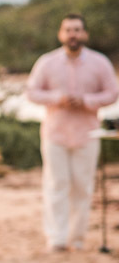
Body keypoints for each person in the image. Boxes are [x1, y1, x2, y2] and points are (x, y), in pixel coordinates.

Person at [26, 14, 119, 251]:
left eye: (77, 30)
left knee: (82, 186)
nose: (73, 34)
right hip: (54, 134)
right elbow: (32, 92)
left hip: (87, 134)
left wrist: (87, 101)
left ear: (84, 34)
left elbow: (112, 93)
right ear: (61, 34)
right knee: (57, 185)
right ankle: (57, 238)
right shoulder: (47, 62)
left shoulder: (100, 63)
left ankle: (76, 239)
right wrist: (58, 99)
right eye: (68, 30)